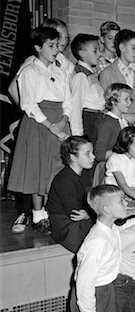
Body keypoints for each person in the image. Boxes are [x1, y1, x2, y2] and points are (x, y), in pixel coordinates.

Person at [7, 26, 71, 234]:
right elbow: (28, 104)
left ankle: (53, 212)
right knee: (38, 169)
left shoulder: (59, 72)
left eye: (57, 45)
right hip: (39, 124)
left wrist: (63, 121)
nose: (55, 50)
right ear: (37, 48)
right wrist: (51, 126)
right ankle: (37, 215)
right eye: (50, 46)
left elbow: (68, 101)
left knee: (57, 168)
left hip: (59, 120)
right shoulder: (29, 71)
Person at [70, 184, 128, 312]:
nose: (126, 203)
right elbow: (84, 281)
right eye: (121, 201)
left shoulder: (112, 229)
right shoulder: (97, 241)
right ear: (107, 209)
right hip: (90, 295)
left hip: (107, 291)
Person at [47, 136, 95, 253]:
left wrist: (90, 212)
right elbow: (75, 213)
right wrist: (91, 213)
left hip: (82, 217)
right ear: (73, 157)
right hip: (65, 224)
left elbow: (89, 200)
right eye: (87, 154)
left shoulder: (84, 173)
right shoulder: (65, 180)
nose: (93, 157)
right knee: (92, 245)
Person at [99, 29, 135, 127]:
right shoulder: (107, 73)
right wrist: (122, 115)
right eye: (133, 48)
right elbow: (103, 105)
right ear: (122, 47)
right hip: (117, 126)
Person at [94, 83, 132, 186]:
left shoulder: (124, 121)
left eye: (130, 99)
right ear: (113, 101)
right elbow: (99, 154)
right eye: (126, 99)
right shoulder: (107, 123)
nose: (129, 103)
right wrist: (124, 151)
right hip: (112, 172)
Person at [70, 33, 105, 143]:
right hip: (89, 120)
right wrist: (78, 136)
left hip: (97, 119)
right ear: (82, 53)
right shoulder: (80, 75)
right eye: (95, 51)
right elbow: (75, 107)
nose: (99, 54)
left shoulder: (90, 74)